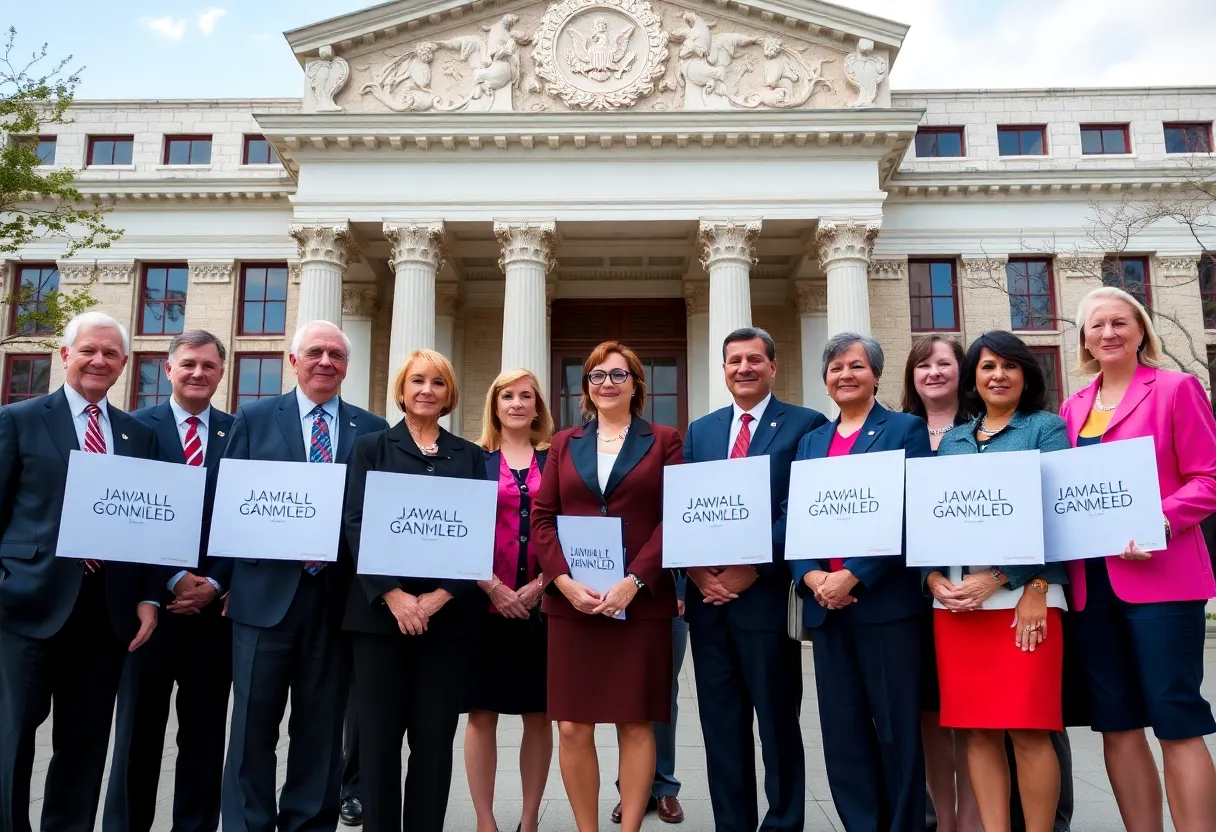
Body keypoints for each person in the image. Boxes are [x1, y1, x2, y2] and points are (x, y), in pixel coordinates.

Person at [221, 320, 389, 832]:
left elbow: (377, 515)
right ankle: (248, 824)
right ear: (293, 361)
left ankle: (310, 824)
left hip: (337, 601)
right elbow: (228, 503)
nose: (325, 362)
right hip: (263, 598)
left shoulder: (372, 429)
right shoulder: (253, 418)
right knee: (252, 726)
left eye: (336, 355)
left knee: (321, 727)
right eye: (315, 352)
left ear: (347, 367)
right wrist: (221, 581)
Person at [903, 337, 1076, 832]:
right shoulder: (955, 440)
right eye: (987, 367)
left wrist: (1020, 583)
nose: (998, 375)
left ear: (1026, 375)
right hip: (958, 607)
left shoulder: (1045, 429)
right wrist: (932, 577)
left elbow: (1060, 516)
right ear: (973, 377)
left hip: (1026, 601)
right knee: (976, 730)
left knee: (1029, 729)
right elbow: (933, 519)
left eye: (1009, 366)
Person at [1060, 286, 1216, 832]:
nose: (1109, 333)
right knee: (1117, 722)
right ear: (1084, 339)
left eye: (1120, 323)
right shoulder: (1072, 407)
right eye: (1097, 325)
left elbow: (1208, 478)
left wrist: (1160, 521)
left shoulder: (1176, 388)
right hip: (1091, 585)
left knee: (1176, 717)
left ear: (1141, 331)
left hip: (1162, 578)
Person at [0, 311, 160, 832]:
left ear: (124, 364)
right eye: (88, 350)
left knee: (84, 745)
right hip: (27, 604)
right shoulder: (19, 420)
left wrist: (147, 597)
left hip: (105, 613)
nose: (99, 360)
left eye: (111, 353)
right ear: (66, 354)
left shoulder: (137, 434)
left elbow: (145, 525)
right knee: (11, 739)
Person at [780, 332, 930, 832]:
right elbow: (797, 515)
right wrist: (812, 575)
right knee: (842, 733)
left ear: (876, 375)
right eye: (836, 368)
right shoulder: (812, 441)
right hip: (827, 608)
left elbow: (910, 510)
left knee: (895, 731)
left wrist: (854, 576)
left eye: (856, 366)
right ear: (825, 379)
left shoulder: (904, 428)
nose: (845, 375)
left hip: (885, 606)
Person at [532, 341, 683, 832]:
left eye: (618, 375)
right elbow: (542, 517)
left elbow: (675, 516)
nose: (607, 383)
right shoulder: (563, 443)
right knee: (573, 726)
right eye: (597, 375)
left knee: (635, 722)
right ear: (586, 387)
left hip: (640, 603)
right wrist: (563, 582)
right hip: (574, 605)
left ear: (636, 384)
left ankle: (631, 827)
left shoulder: (664, 440)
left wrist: (635, 580)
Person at [682, 326, 825, 832]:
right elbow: (685, 508)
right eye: (734, 360)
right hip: (708, 604)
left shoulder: (805, 425)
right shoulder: (701, 431)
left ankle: (783, 823)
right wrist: (696, 571)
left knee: (778, 724)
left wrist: (753, 568)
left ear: (772, 367)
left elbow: (802, 506)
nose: (743, 367)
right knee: (721, 728)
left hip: (765, 600)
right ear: (723, 370)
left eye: (754, 359)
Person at [342, 349, 484, 832]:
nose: (427, 390)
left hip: (446, 621)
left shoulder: (468, 455)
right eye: (417, 380)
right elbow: (355, 521)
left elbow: (476, 532)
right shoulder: (371, 447)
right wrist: (394, 595)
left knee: (434, 743)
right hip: (379, 620)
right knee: (377, 742)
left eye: (438, 382)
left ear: (449, 394)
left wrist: (441, 596)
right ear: (401, 390)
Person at [104, 330, 235, 832]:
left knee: (205, 737)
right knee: (137, 733)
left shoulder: (238, 433)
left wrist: (215, 582)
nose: (198, 373)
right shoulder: (133, 429)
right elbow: (124, 516)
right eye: (188, 364)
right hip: (149, 609)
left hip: (215, 614)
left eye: (208, 365)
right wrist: (175, 577)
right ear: (168, 370)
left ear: (221, 372)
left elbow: (248, 516)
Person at [463, 368, 554, 832]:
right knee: (482, 714)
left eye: (526, 396)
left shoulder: (557, 458)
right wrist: (492, 585)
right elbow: (459, 529)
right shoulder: (473, 460)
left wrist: (540, 585)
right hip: (483, 606)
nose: (517, 404)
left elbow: (567, 527)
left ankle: (529, 818)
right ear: (494, 406)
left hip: (544, 607)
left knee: (539, 714)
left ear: (538, 407)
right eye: (507, 396)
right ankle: (485, 820)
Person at [901, 335, 980, 832]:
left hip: (979, 591)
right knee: (928, 710)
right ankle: (943, 818)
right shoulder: (896, 431)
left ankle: (973, 817)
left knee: (973, 713)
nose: (933, 372)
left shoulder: (985, 426)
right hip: (914, 594)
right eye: (923, 365)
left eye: (944, 363)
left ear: (961, 370)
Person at [611, 578, 688, 826]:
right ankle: (631, 789)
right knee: (627, 697)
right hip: (620, 597)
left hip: (668, 594)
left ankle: (664, 787)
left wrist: (680, 592)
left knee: (663, 693)